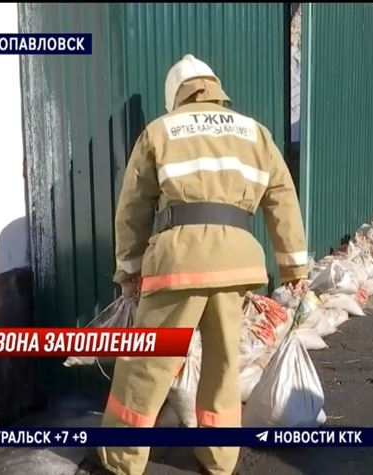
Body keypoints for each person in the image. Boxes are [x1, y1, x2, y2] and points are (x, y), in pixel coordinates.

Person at [76, 54, 309, 475]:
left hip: (177, 263)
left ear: (176, 95)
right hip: (236, 266)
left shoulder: (160, 131)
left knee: (145, 366)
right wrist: (294, 269)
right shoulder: (254, 132)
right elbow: (283, 202)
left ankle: (119, 459)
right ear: (216, 90)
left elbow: (132, 209)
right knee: (222, 367)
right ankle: (220, 461)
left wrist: (128, 271)